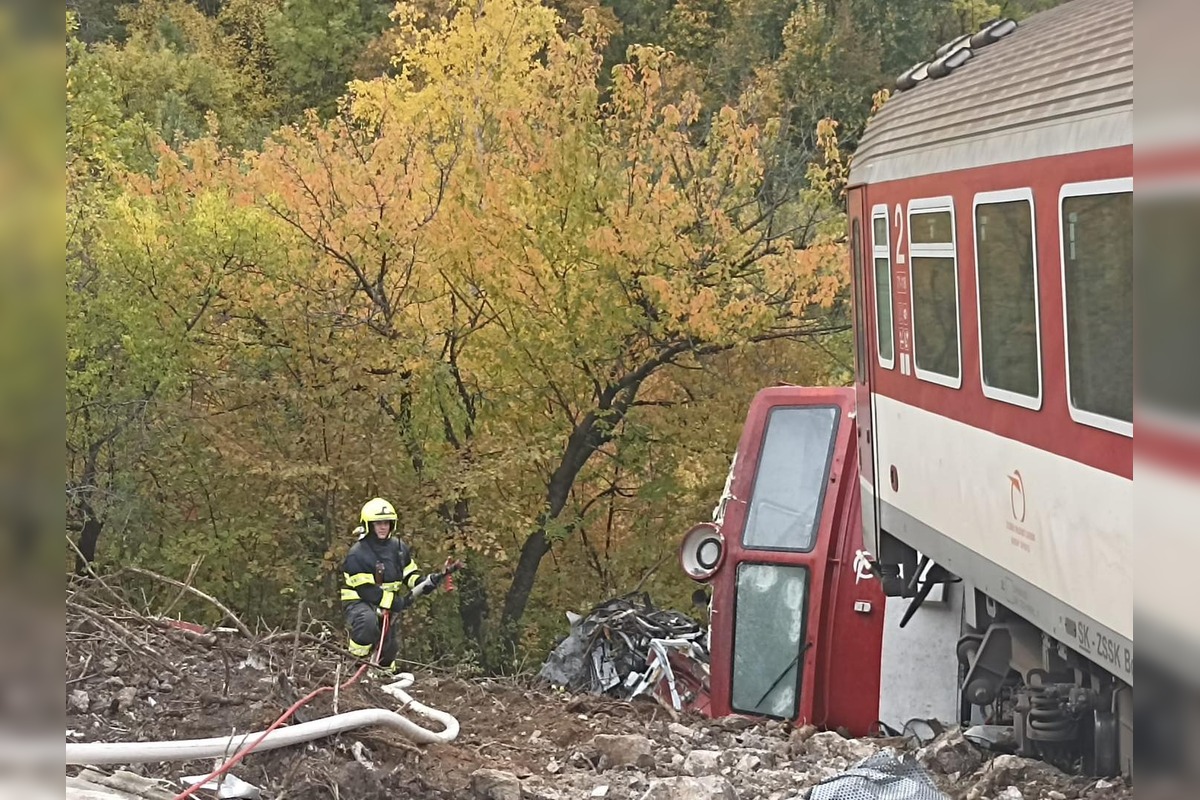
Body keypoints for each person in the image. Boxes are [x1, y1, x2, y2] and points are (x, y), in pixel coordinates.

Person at [340, 497, 445, 672]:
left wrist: (424, 583)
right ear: (368, 525)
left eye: (386, 523)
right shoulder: (357, 554)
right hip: (360, 603)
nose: (383, 527)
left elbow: (409, 574)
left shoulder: (399, 548)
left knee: (389, 648)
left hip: (388, 604)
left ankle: (383, 678)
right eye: (378, 523)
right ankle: (355, 665)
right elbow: (366, 591)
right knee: (367, 623)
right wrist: (395, 602)